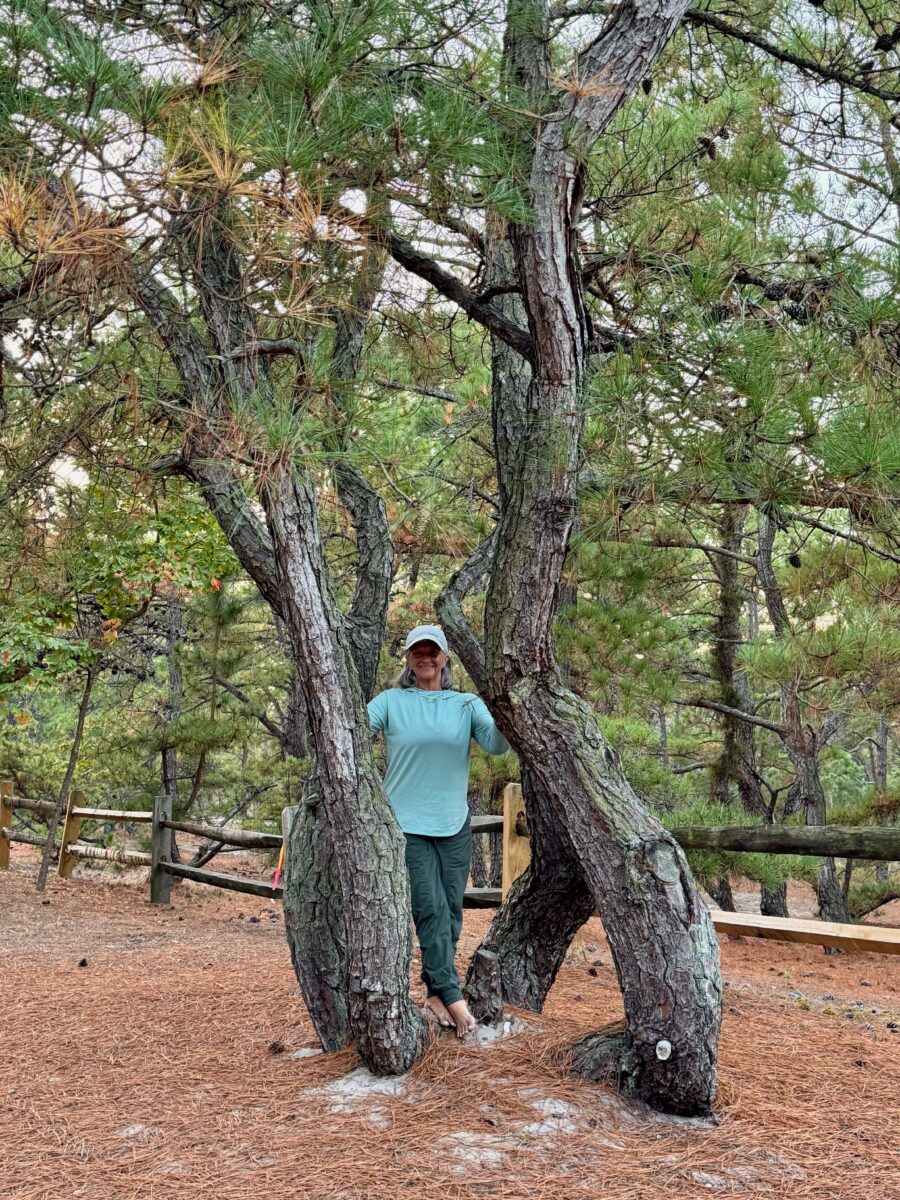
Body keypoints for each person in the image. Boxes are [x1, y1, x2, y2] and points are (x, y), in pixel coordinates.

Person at [367, 624, 511, 1038]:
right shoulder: (392, 701)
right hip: (406, 823)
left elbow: (497, 744)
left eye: (433, 651)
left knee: (449, 912)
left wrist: (507, 709)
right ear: (409, 659)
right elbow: (352, 731)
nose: (425, 657)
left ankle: (434, 994)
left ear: (445, 658)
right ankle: (454, 997)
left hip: (453, 823)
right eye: (418, 651)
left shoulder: (466, 704)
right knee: (428, 906)